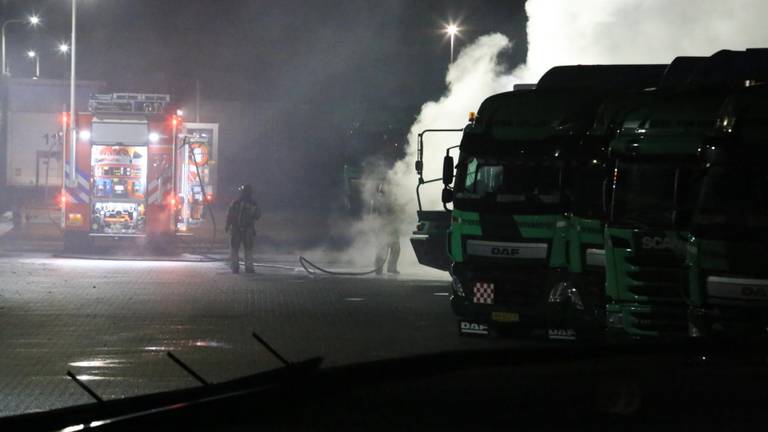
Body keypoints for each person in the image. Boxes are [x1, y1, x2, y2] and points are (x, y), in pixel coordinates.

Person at [225, 184, 261, 274]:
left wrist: (227, 225)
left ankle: (236, 267)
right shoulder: (252, 203)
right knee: (245, 249)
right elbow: (257, 216)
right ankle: (247, 268)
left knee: (236, 249)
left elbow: (230, 215)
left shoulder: (236, 202)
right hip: (244, 229)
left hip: (239, 229)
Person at [372, 183, 400, 275]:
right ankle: (380, 268)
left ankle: (387, 268)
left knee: (395, 248)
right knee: (383, 248)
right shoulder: (380, 201)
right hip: (383, 228)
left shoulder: (381, 200)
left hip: (390, 227)